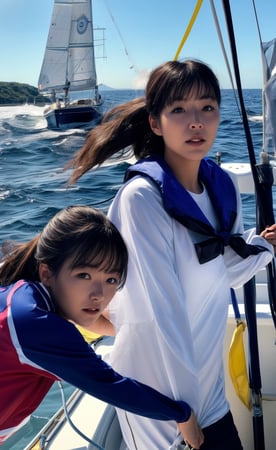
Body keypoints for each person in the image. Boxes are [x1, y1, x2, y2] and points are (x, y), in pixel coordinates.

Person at [67, 60, 276, 449]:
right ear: (156, 123)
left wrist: (263, 246)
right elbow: (165, 314)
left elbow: (221, 272)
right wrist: (181, 413)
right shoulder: (142, 199)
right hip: (158, 391)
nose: (195, 121)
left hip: (207, 382)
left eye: (207, 107)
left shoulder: (223, 186)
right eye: (178, 109)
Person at [0, 205, 203, 449]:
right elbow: (111, 386)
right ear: (47, 273)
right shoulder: (34, 323)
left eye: (111, 280)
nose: (99, 294)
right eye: (84, 275)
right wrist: (183, 415)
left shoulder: (11, 297)